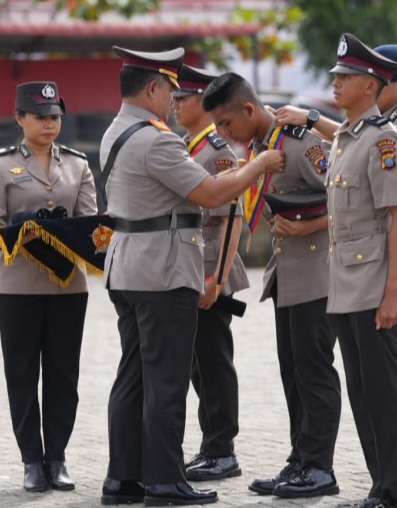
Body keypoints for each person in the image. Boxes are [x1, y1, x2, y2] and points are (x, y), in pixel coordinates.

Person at [272, 44, 397, 499]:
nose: (338, 83)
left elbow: (374, 149)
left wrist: (312, 121)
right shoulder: (362, 130)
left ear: (395, 83)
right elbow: (353, 144)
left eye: (352, 76)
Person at [99, 47, 284, 506]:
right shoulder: (156, 139)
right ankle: (164, 480)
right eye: (169, 91)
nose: (174, 101)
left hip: (128, 267)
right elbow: (210, 193)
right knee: (166, 380)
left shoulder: (115, 131)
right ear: (153, 88)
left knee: (132, 377)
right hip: (162, 271)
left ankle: (123, 479)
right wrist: (257, 165)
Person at [201, 72, 342, 499]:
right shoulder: (263, 150)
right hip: (288, 276)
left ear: (248, 109)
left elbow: (352, 197)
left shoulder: (299, 142)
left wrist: (312, 225)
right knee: (292, 372)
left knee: (314, 372)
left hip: (317, 274)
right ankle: (299, 460)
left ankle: (320, 468)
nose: (224, 134)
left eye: (226, 124)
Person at [0, 81, 97, 492]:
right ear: (19, 119)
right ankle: (31, 460)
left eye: (55, 117)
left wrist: (68, 230)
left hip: (68, 288)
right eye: (41, 117)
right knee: (22, 375)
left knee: (64, 375)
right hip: (17, 288)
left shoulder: (79, 165)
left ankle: (58, 457)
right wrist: (15, 235)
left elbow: (91, 226)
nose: (49, 125)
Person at [326, 33, 397, 508]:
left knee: (387, 390)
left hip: (375, 285)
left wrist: (393, 293)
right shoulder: (346, 138)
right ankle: (382, 486)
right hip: (345, 282)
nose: (336, 84)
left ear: (371, 85)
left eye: (345, 77)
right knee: (362, 392)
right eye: (336, 76)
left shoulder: (383, 139)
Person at [170, 64, 249, 481]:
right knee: (199, 365)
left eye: (181, 98)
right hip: (191, 268)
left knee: (214, 363)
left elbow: (230, 217)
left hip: (209, 269)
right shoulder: (188, 145)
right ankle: (211, 445)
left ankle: (222, 450)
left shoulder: (216, 149)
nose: (174, 105)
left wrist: (216, 276)